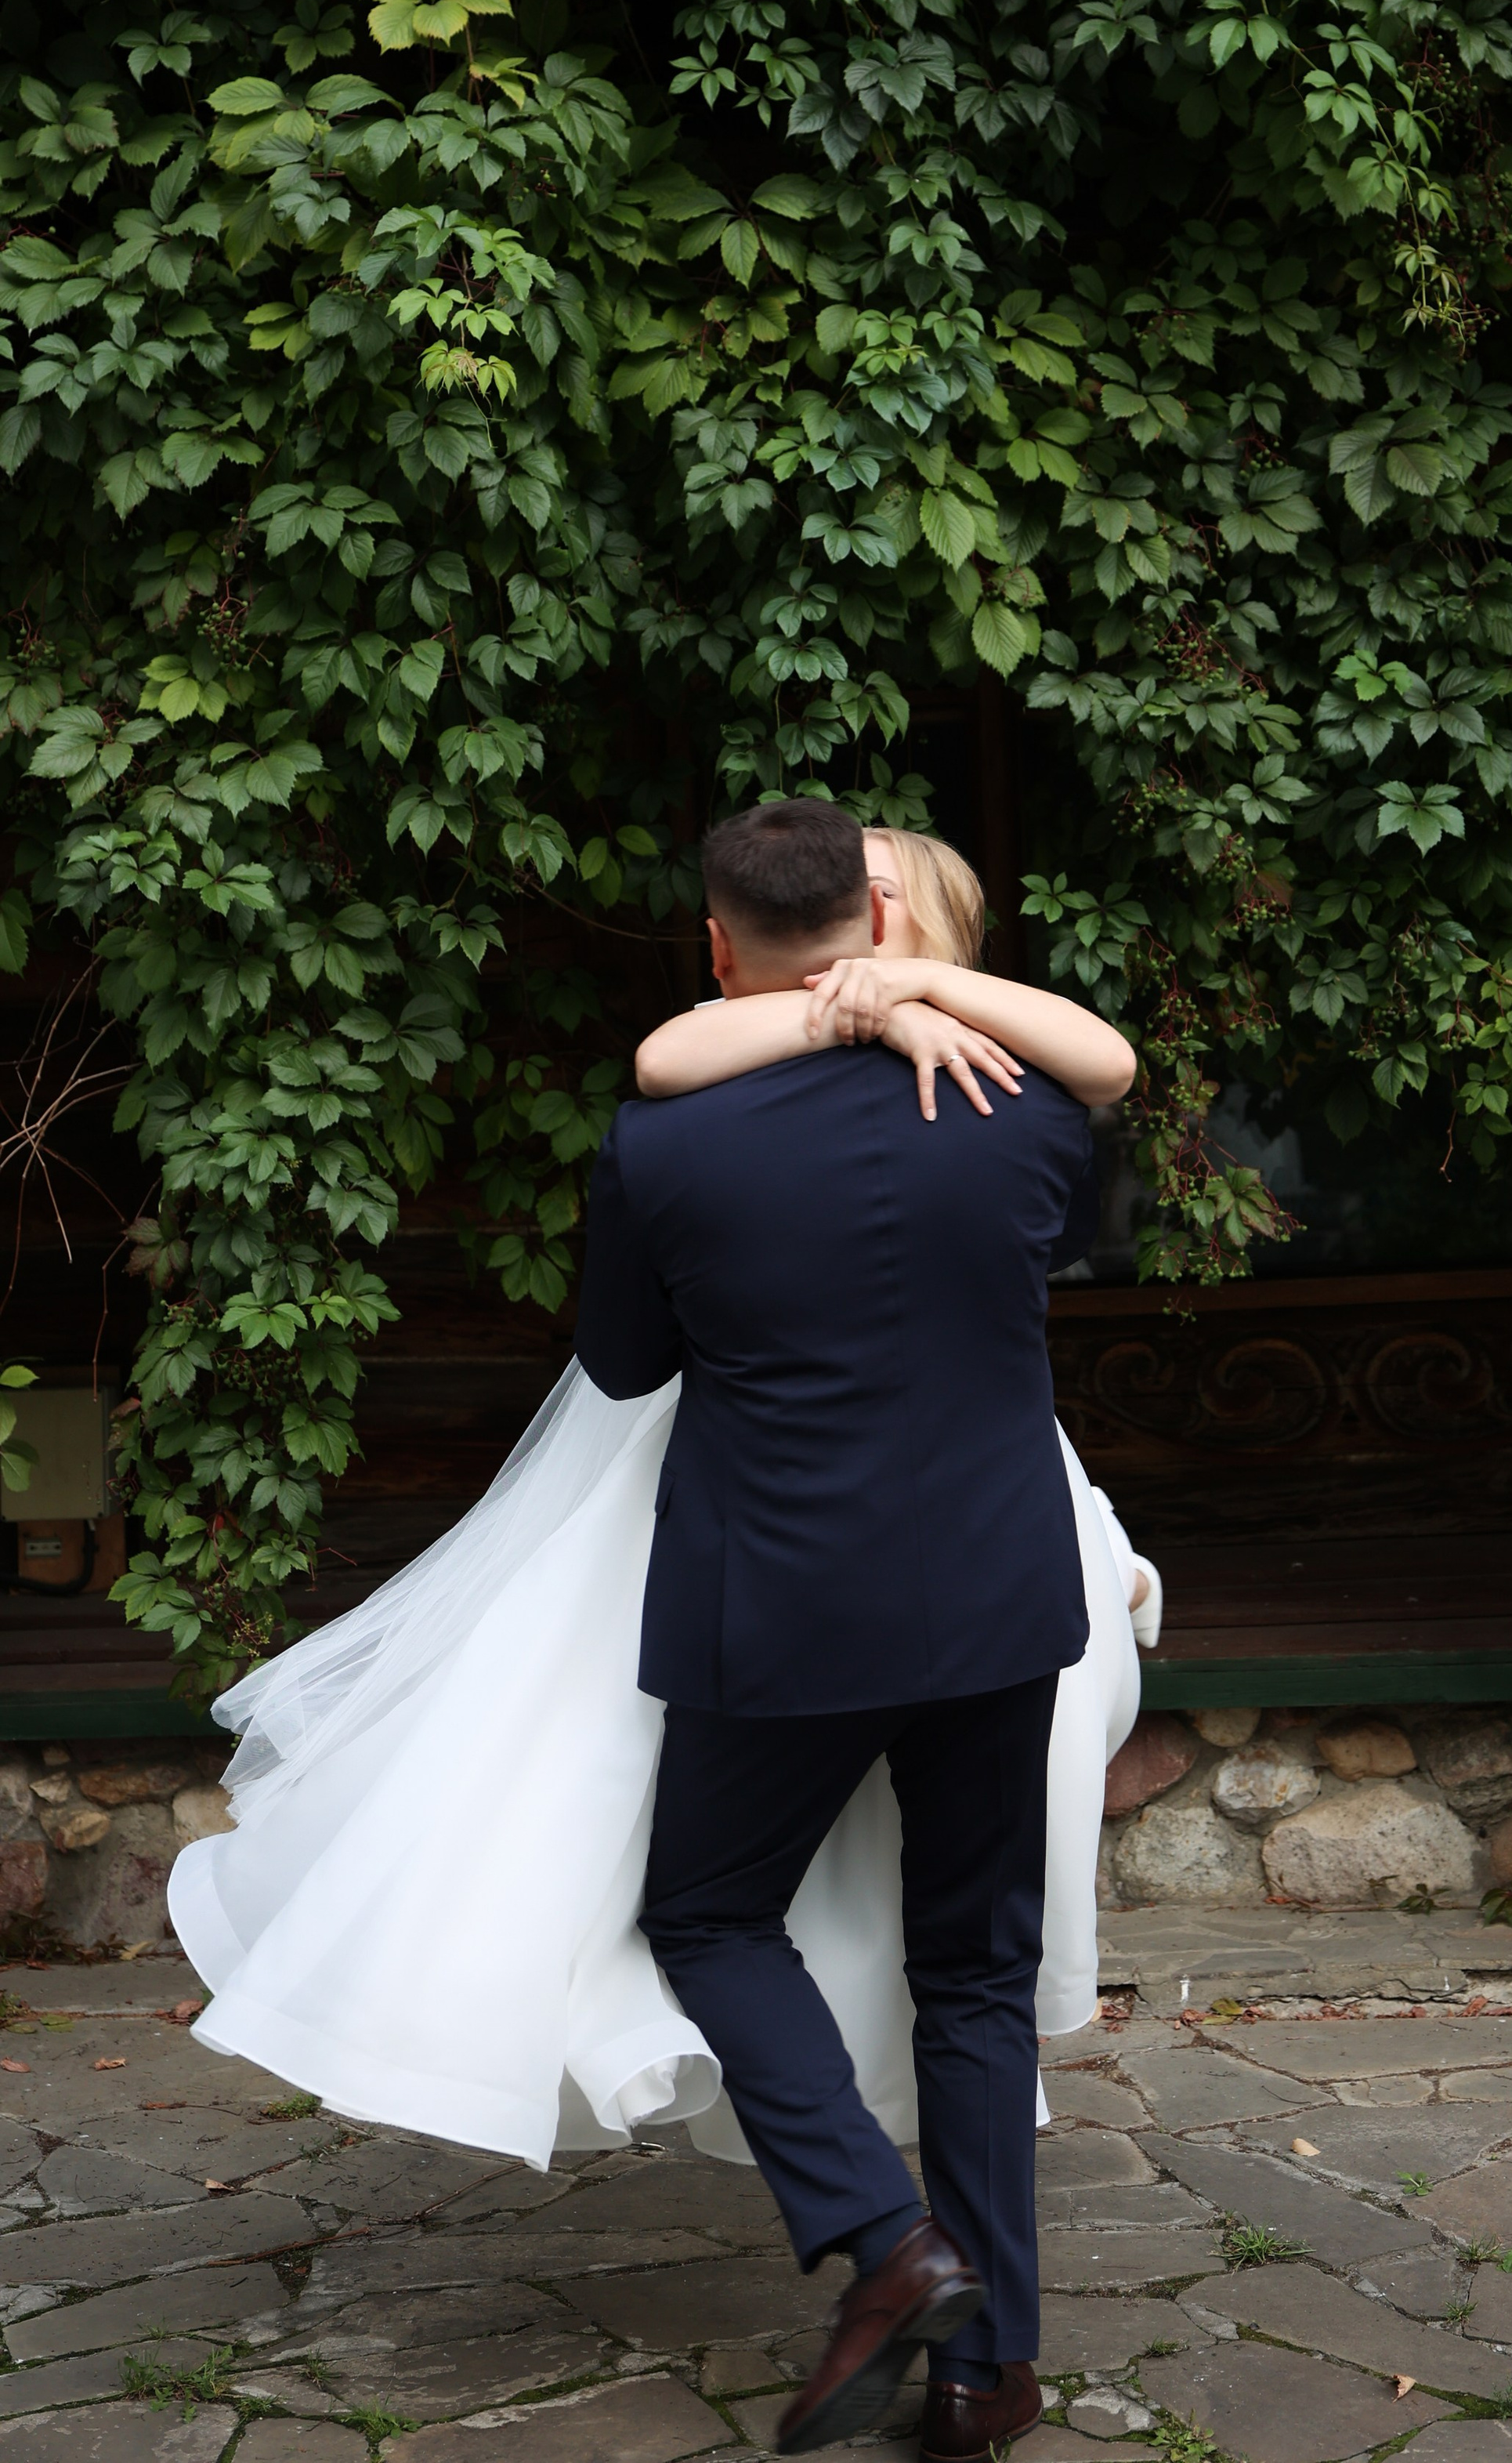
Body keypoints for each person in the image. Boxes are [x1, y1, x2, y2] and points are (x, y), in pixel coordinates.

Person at [165, 802, 1152, 2463]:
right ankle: (993, 2378)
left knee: (706, 1917)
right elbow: (1082, 1207)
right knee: (969, 1974)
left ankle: (884, 2236)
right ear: (880, 918)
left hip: (774, 1606)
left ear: (717, 944)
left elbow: (623, 1367)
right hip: (994, 1595)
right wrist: (899, 1013)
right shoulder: (1024, 1110)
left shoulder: (665, 1145)